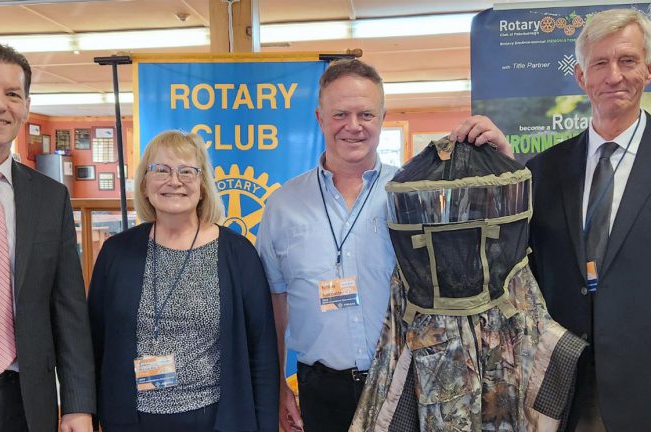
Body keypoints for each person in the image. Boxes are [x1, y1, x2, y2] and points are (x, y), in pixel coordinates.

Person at [256, 58, 505, 432]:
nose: (353, 126)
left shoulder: (417, 195)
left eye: (366, 114)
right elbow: (275, 304)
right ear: (320, 118)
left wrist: (500, 155)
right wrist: (276, 385)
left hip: (407, 381)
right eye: (340, 114)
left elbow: (488, 240)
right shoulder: (282, 206)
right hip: (320, 390)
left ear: (382, 118)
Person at [88, 130, 279, 432]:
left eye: (186, 171)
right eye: (160, 170)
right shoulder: (116, 253)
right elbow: (94, 342)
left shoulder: (238, 254)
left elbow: (263, 353)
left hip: (216, 420)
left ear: (203, 186)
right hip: (130, 421)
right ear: (145, 183)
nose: (173, 181)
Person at [0, 42, 95, 431]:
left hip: (28, 404)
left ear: (26, 106)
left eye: (12, 94)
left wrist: (77, 405)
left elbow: (68, 309)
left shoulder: (51, 198)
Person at [525, 8, 651, 432]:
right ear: (581, 78)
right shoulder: (543, 171)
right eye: (600, 63)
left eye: (628, 61)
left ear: (648, 70)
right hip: (565, 390)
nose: (614, 75)